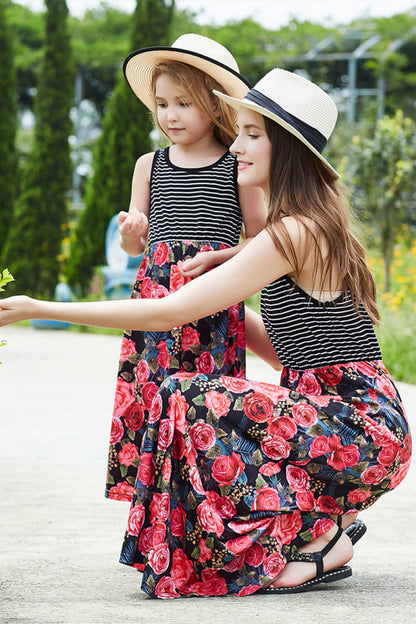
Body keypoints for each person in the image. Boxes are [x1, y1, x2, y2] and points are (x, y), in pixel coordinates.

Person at [0, 67, 411, 600]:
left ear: (285, 148)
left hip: (360, 430)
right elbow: (288, 344)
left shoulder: (295, 231)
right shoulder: (306, 223)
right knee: (204, 395)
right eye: (239, 131)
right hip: (343, 422)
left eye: (253, 135)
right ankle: (310, 524)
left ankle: (325, 537)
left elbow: (166, 313)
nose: (236, 145)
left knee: (184, 395)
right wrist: (221, 294)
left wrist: (37, 307)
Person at [106, 34, 267, 501]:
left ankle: (206, 501)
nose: (170, 115)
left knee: (207, 403)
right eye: (162, 104)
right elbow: (136, 246)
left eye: (184, 103)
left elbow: (259, 239)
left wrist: (216, 259)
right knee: (151, 396)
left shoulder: (236, 166)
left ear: (214, 107)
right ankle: (153, 510)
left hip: (212, 302)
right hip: (155, 303)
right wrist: (130, 229)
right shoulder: (148, 166)